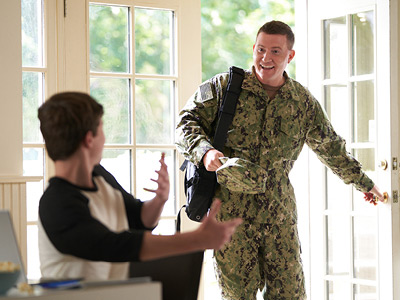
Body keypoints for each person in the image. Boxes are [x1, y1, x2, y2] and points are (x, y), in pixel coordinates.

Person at [175, 20, 384, 300]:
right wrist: (205, 152)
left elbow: (331, 148)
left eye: (275, 51)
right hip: (230, 217)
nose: (266, 58)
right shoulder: (224, 88)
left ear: (289, 56)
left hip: (279, 216)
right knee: (238, 297)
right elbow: (184, 124)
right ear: (253, 49)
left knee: (291, 295)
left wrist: (365, 184)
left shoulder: (301, 102)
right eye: (261, 49)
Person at [37, 91, 242, 281]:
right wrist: (198, 240)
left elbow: (138, 218)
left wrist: (159, 200)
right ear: (89, 139)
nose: (104, 138)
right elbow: (116, 246)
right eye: (101, 129)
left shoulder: (99, 177)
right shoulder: (56, 202)